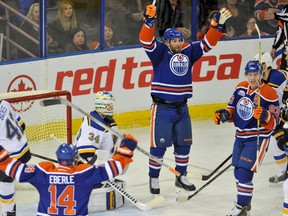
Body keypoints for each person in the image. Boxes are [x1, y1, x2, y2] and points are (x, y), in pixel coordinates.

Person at [139, 4, 232, 194]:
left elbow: (208, 44)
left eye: (180, 40)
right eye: (174, 41)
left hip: (182, 108)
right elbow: (145, 40)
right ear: (167, 42)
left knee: (184, 144)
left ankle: (181, 176)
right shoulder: (159, 53)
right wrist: (149, 22)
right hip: (162, 110)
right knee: (159, 146)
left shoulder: (189, 51)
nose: (179, 43)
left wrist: (217, 27)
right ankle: (154, 178)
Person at [0, 135, 137, 215]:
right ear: (74, 159)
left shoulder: (43, 172)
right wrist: (126, 148)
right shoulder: (84, 174)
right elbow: (114, 168)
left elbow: (12, 168)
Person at [214, 60, 280, 215]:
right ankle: (245, 206)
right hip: (240, 136)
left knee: (244, 173)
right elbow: (232, 109)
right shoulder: (240, 87)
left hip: (258, 137)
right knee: (238, 172)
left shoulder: (269, 92)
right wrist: (224, 115)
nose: (252, 78)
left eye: (256, 74)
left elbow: (275, 121)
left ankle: (240, 207)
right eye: (250, 74)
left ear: (261, 74)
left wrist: (265, 115)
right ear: (246, 74)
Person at [75, 91, 123, 212]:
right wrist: (98, 173)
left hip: (101, 158)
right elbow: (85, 154)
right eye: (108, 105)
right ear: (101, 106)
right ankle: (95, 182)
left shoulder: (108, 121)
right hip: (84, 163)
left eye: (111, 105)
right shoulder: (94, 124)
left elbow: (111, 146)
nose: (111, 107)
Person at [253, 52, 288, 185]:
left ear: (267, 65)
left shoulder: (278, 77)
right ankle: (283, 172)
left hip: (285, 113)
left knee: (283, 139)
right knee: (274, 142)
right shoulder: (262, 80)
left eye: (260, 65)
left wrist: (282, 120)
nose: (258, 68)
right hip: (282, 113)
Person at [0, 100, 31, 216]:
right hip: (24, 149)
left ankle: (8, 211)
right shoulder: (4, 103)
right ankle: (9, 210)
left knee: (4, 179)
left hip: (9, 155)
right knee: (6, 179)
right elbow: (22, 125)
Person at [267, 5, 288, 70]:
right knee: (284, 74)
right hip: (286, 49)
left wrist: (276, 15)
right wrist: (274, 47)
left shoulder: (281, 14)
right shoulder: (285, 9)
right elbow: (280, 31)